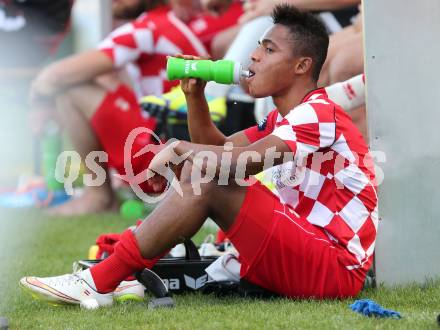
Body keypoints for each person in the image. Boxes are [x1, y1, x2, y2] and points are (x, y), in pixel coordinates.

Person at [20, 4, 378, 305]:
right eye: (258, 46)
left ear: (302, 66)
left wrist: (181, 148)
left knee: (208, 179)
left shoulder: (317, 112)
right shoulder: (282, 117)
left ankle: (101, 280)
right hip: (309, 252)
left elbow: (241, 162)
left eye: (269, 50)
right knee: (207, 174)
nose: (253, 55)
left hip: (335, 268)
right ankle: (115, 273)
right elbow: (222, 148)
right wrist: (194, 98)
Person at [29, 0, 242, 215]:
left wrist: (40, 104)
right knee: (104, 77)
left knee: (70, 89)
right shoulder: (186, 22)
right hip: (198, 154)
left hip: (163, 160)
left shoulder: (149, 28)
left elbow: (54, 76)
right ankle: (112, 186)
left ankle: (98, 196)